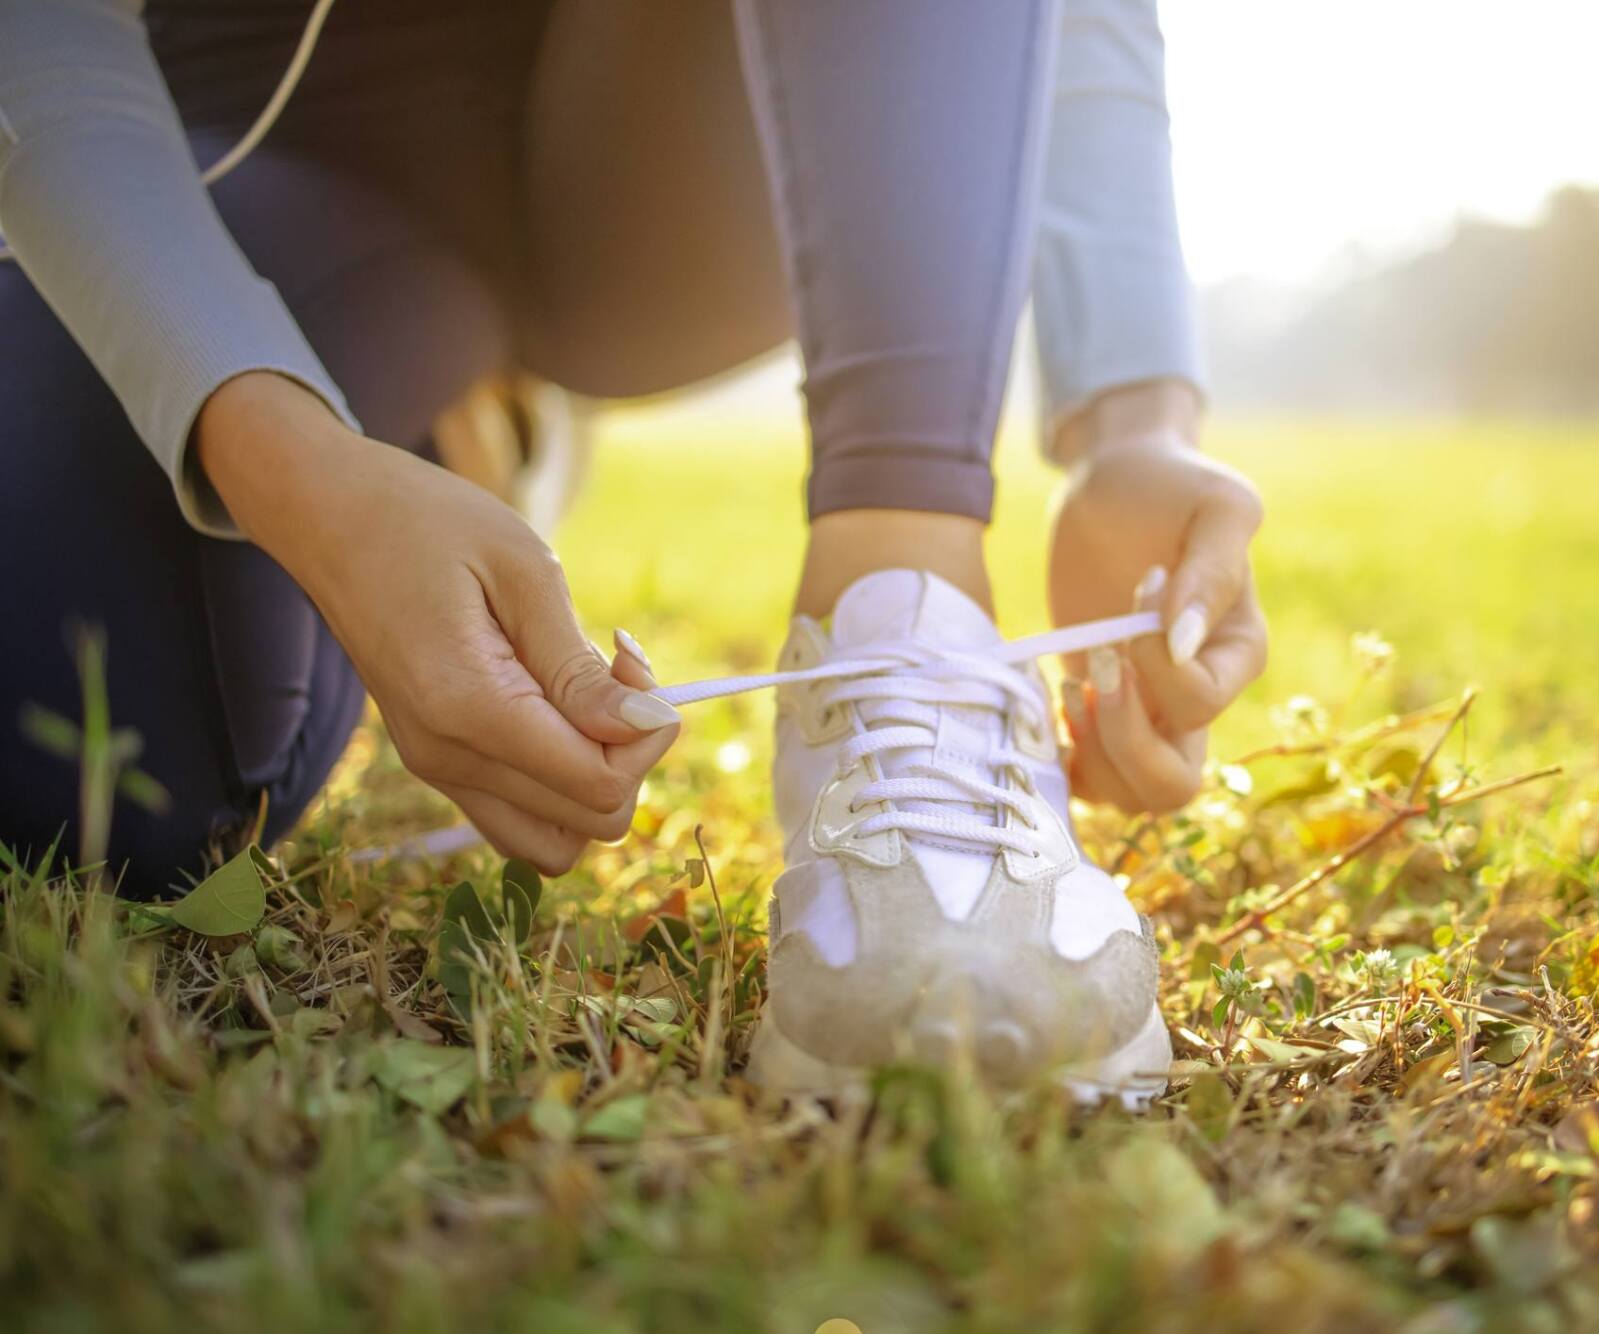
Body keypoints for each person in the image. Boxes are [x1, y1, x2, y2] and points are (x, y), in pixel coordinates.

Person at [0, 0, 1265, 1096]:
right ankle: (446, 418)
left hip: (683, 156)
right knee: (84, 757)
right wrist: (303, 475)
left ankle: (901, 597)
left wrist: (1131, 415)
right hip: (271, 145)